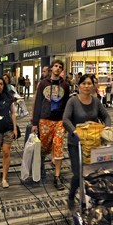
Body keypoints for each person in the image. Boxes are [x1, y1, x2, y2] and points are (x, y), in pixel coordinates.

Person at [63, 74, 111, 210]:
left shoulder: (96, 101)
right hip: (76, 143)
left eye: (89, 83)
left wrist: (106, 126)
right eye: (84, 83)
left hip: (93, 143)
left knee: (93, 172)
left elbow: (106, 116)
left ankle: (89, 199)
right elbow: (65, 119)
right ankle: (72, 195)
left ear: (93, 86)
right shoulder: (72, 101)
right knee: (78, 173)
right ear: (79, 86)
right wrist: (74, 131)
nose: (87, 86)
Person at [32, 60, 71, 190]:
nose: (58, 68)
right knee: (45, 146)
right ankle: (41, 164)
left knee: (59, 145)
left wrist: (67, 121)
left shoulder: (65, 85)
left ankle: (57, 176)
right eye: (55, 66)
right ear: (51, 68)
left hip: (60, 120)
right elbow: (38, 102)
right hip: (45, 119)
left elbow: (67, 105)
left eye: (60, 67)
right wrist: (34, 122)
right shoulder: (43, 84)